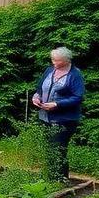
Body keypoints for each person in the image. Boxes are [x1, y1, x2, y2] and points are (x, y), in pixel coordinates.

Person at [31, 47, 85, 182]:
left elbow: (78, 97)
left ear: (66, 60)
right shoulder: (49, 70)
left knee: (58, 149)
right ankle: (50, 177)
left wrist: (57, 104)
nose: (53, 62)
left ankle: (60, 180)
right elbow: (39, 88)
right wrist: (36, 97)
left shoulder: (75, 75)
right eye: (52, 59)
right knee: (49, 148)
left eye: (57, 60)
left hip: (64, 120)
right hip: (45, 117)